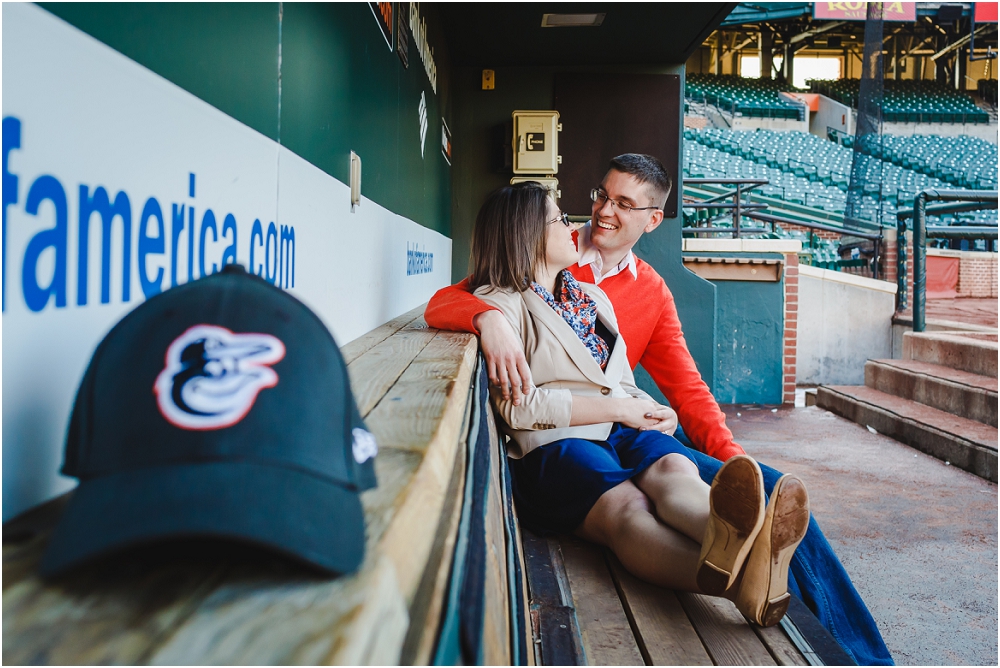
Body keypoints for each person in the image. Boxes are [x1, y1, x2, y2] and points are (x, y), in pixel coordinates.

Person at [425, 154, 894, 665]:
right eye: (600, 196)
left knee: (737, 482)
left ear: (652, 220)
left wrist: (718, 451)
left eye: (623, 204)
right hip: (564, 439)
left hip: (629, 427)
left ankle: (852, 649)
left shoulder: (627, 292)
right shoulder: (517, 280)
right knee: (634, 505)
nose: (598, 213)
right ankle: (753, 576)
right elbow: (450, 302)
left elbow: (682, 387)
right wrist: (486, 318)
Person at [470, 181, 810, 625]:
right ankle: (744, 576)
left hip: (621, 426)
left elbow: (621, 382)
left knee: (673, 468)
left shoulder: (591, 298)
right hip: (556, 445)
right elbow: (520, 409)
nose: (572, 224)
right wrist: (617, 410)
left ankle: (731, 535)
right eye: (557, 218)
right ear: (526, 234)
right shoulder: (500, 303)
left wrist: (650, 408)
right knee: (629, 508)